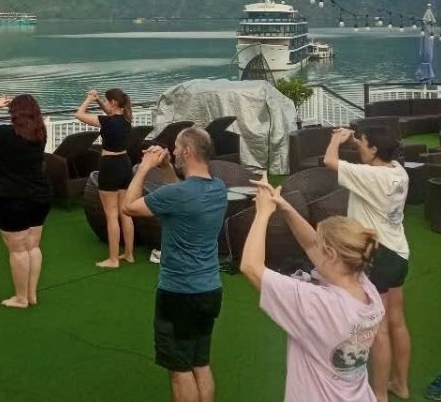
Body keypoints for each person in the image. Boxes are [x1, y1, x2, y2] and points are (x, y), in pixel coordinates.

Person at [240, 178, 384, 402]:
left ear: (332, 255)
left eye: (321, 245)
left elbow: (250, 267)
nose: (315, 246)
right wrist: (286, 207)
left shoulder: (316, 303)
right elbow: (310, 244)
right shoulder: (367, 289)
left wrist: (262, 213)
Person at [122, 130, 227, 402]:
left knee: (180, 369)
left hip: (179, 294)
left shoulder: (176, 194)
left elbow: (128, 206)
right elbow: (180, 192)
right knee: (200, 363)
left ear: (188, 152)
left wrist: (144, 167)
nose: (175, 152)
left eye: (178, 148)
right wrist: (167, 168)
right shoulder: (218, 188)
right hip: (210, 291)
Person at [325, 126, 412, 401]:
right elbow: (371, 155)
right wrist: (355, 140)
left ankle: (380, 394)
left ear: (374, 150)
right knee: (397, 321)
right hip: (399, 254)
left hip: (378, 255)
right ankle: (401, 385)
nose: (359, 146)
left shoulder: (369, 175)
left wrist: (335, 140)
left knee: (379, 328)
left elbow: (329, 160)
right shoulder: (398, 171)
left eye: (363, 143)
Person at [0, 93, 52, 309]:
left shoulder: (5, 135)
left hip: (13, 199)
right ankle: (31, 294)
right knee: (33, 246)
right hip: (41, 195)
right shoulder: (40, 133)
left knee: (18, 249)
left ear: (14, 114)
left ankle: (21, 298)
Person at [73, 88, 135, 268]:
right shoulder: (126, 120)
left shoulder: (106, 122)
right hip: (125, 164)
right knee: (125, 213)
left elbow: (79, 114)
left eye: (107, 101)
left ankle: (114, 259)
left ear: (113, 103)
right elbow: (110, 112)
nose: (106, 104)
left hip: (110, 166)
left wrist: (89, 99)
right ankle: (129, 254)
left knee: (111, 215)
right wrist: (99, 100)